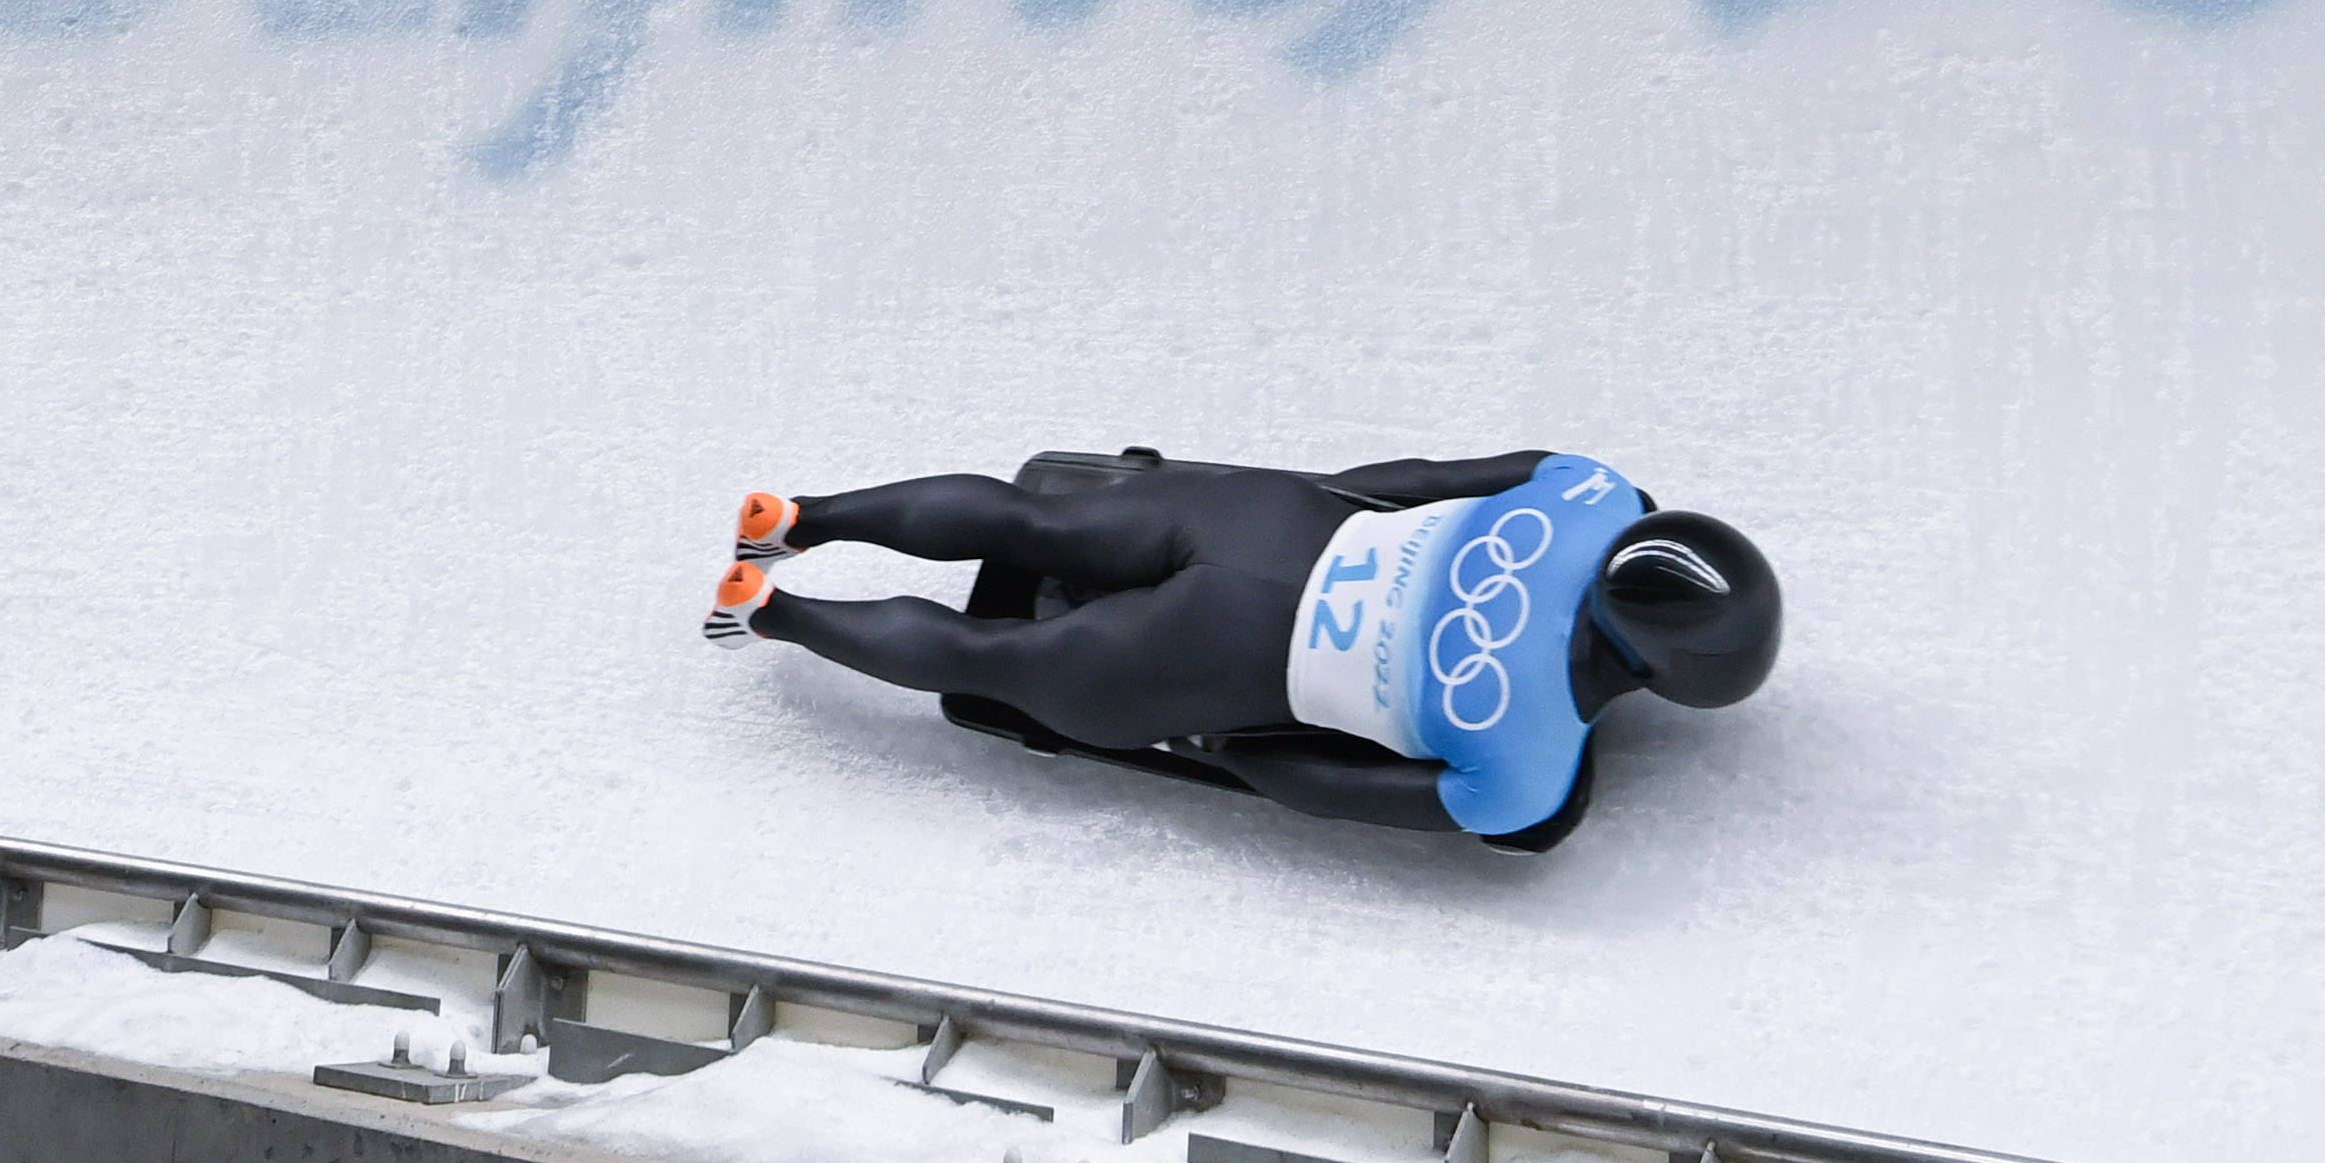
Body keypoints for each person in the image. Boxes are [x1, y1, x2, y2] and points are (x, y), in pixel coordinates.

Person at [702, 449, 1778, 849]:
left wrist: (1304, 499)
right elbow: (1319, 789)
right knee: (1001, 665)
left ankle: (801, 512)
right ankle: (770, 611)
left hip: (1262, 522)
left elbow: (1407, 479)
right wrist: (1225, 744)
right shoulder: (1526, 779)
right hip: (1215, 657)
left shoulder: (1590, 489)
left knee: (1032, 525)